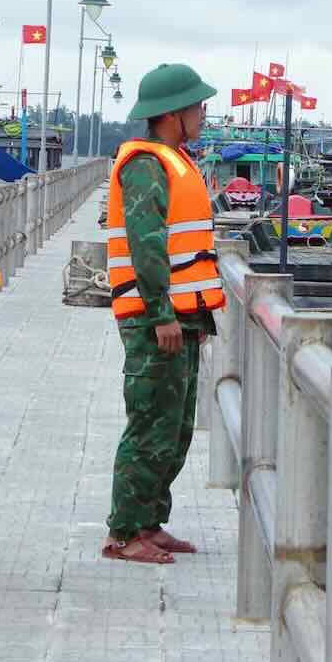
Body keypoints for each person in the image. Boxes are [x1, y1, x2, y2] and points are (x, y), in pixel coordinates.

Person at [103, 63, 226, 563]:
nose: (203, 113)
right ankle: (125, 531)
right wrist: (160, 314)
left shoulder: (176, 160)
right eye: (198, 105)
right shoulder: (147, 165)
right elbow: (146, 245)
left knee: (174, 426)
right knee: (151, 422)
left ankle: (149, 521)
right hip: (157, 319)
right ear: (173, 113)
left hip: (182, 317)